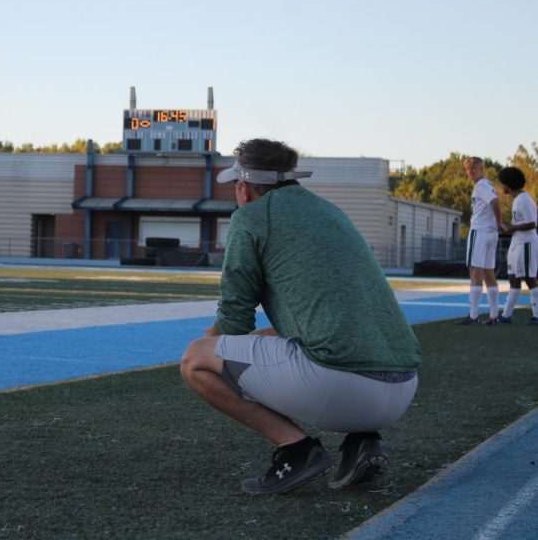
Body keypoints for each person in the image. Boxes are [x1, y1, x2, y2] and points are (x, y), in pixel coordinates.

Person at [180, 138, 420, 495]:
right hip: (402, 388)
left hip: (342, 389)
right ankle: (362, 441)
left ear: (243, 187)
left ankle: (296, 448)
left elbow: (234, 321)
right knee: (270, 336)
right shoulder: (329, 211)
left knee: (196, 359)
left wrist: (212, 337)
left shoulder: (252, 217)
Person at [460, 157, 502, 324]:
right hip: (490, 233)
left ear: (481, 169)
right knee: (488, 273)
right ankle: (494, 315)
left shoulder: (481, 186)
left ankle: (473, 315)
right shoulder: (488, 185)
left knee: (475, 272)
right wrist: (497, 224)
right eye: (468, 169)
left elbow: (495, 202)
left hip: (480, 231)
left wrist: (499, 222)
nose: (470, 171)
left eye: (474, 168)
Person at [497, 166, 538, 324]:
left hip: (526, 243)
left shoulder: (524, 199)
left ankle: (536, 315)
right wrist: (506, 227)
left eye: (503, 184)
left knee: (529, 278)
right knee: (513, 278)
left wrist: (511, 228)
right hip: (517, 243)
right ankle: (506, 315)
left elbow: (532, 223)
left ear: (509, 184)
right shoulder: (517, 200)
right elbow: (521, 223)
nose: (502, 187)